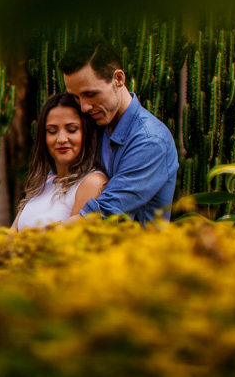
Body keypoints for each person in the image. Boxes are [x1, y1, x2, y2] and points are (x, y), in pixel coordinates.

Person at [59, 36, 179, 223]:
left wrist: (36, 235)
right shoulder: (93, 124)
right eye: (76, 97)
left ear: (119, 78)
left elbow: (103, 214)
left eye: (91, 94)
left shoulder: (151, 141)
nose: (84, 107)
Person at [12, 92, 107, 231]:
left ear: (86, 132)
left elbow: (75, 239)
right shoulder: (45, 182)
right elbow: (11, 234)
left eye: (72, 130)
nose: (61, 139)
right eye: (52, 131)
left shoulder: (92, 182)